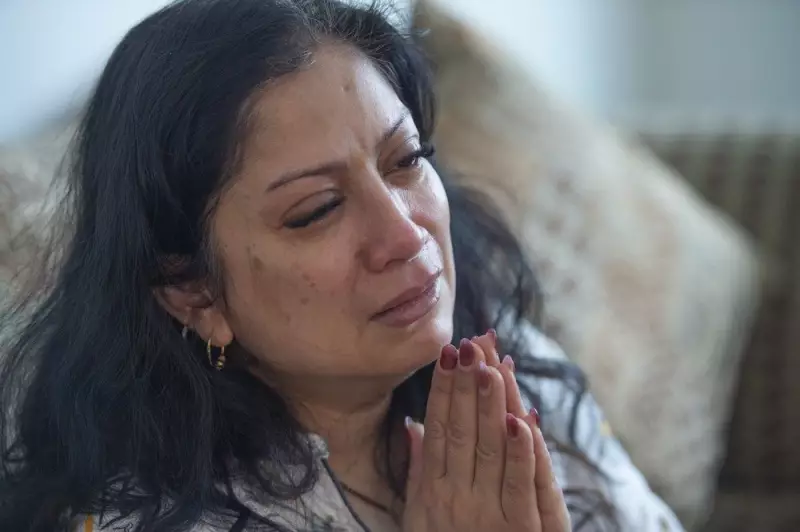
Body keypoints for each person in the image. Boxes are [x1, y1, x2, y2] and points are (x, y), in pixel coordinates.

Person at [0, 1, 686, 531]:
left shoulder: (508, 372)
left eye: (406, 160)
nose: (405, 234)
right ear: (193, 293)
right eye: (318, 209)